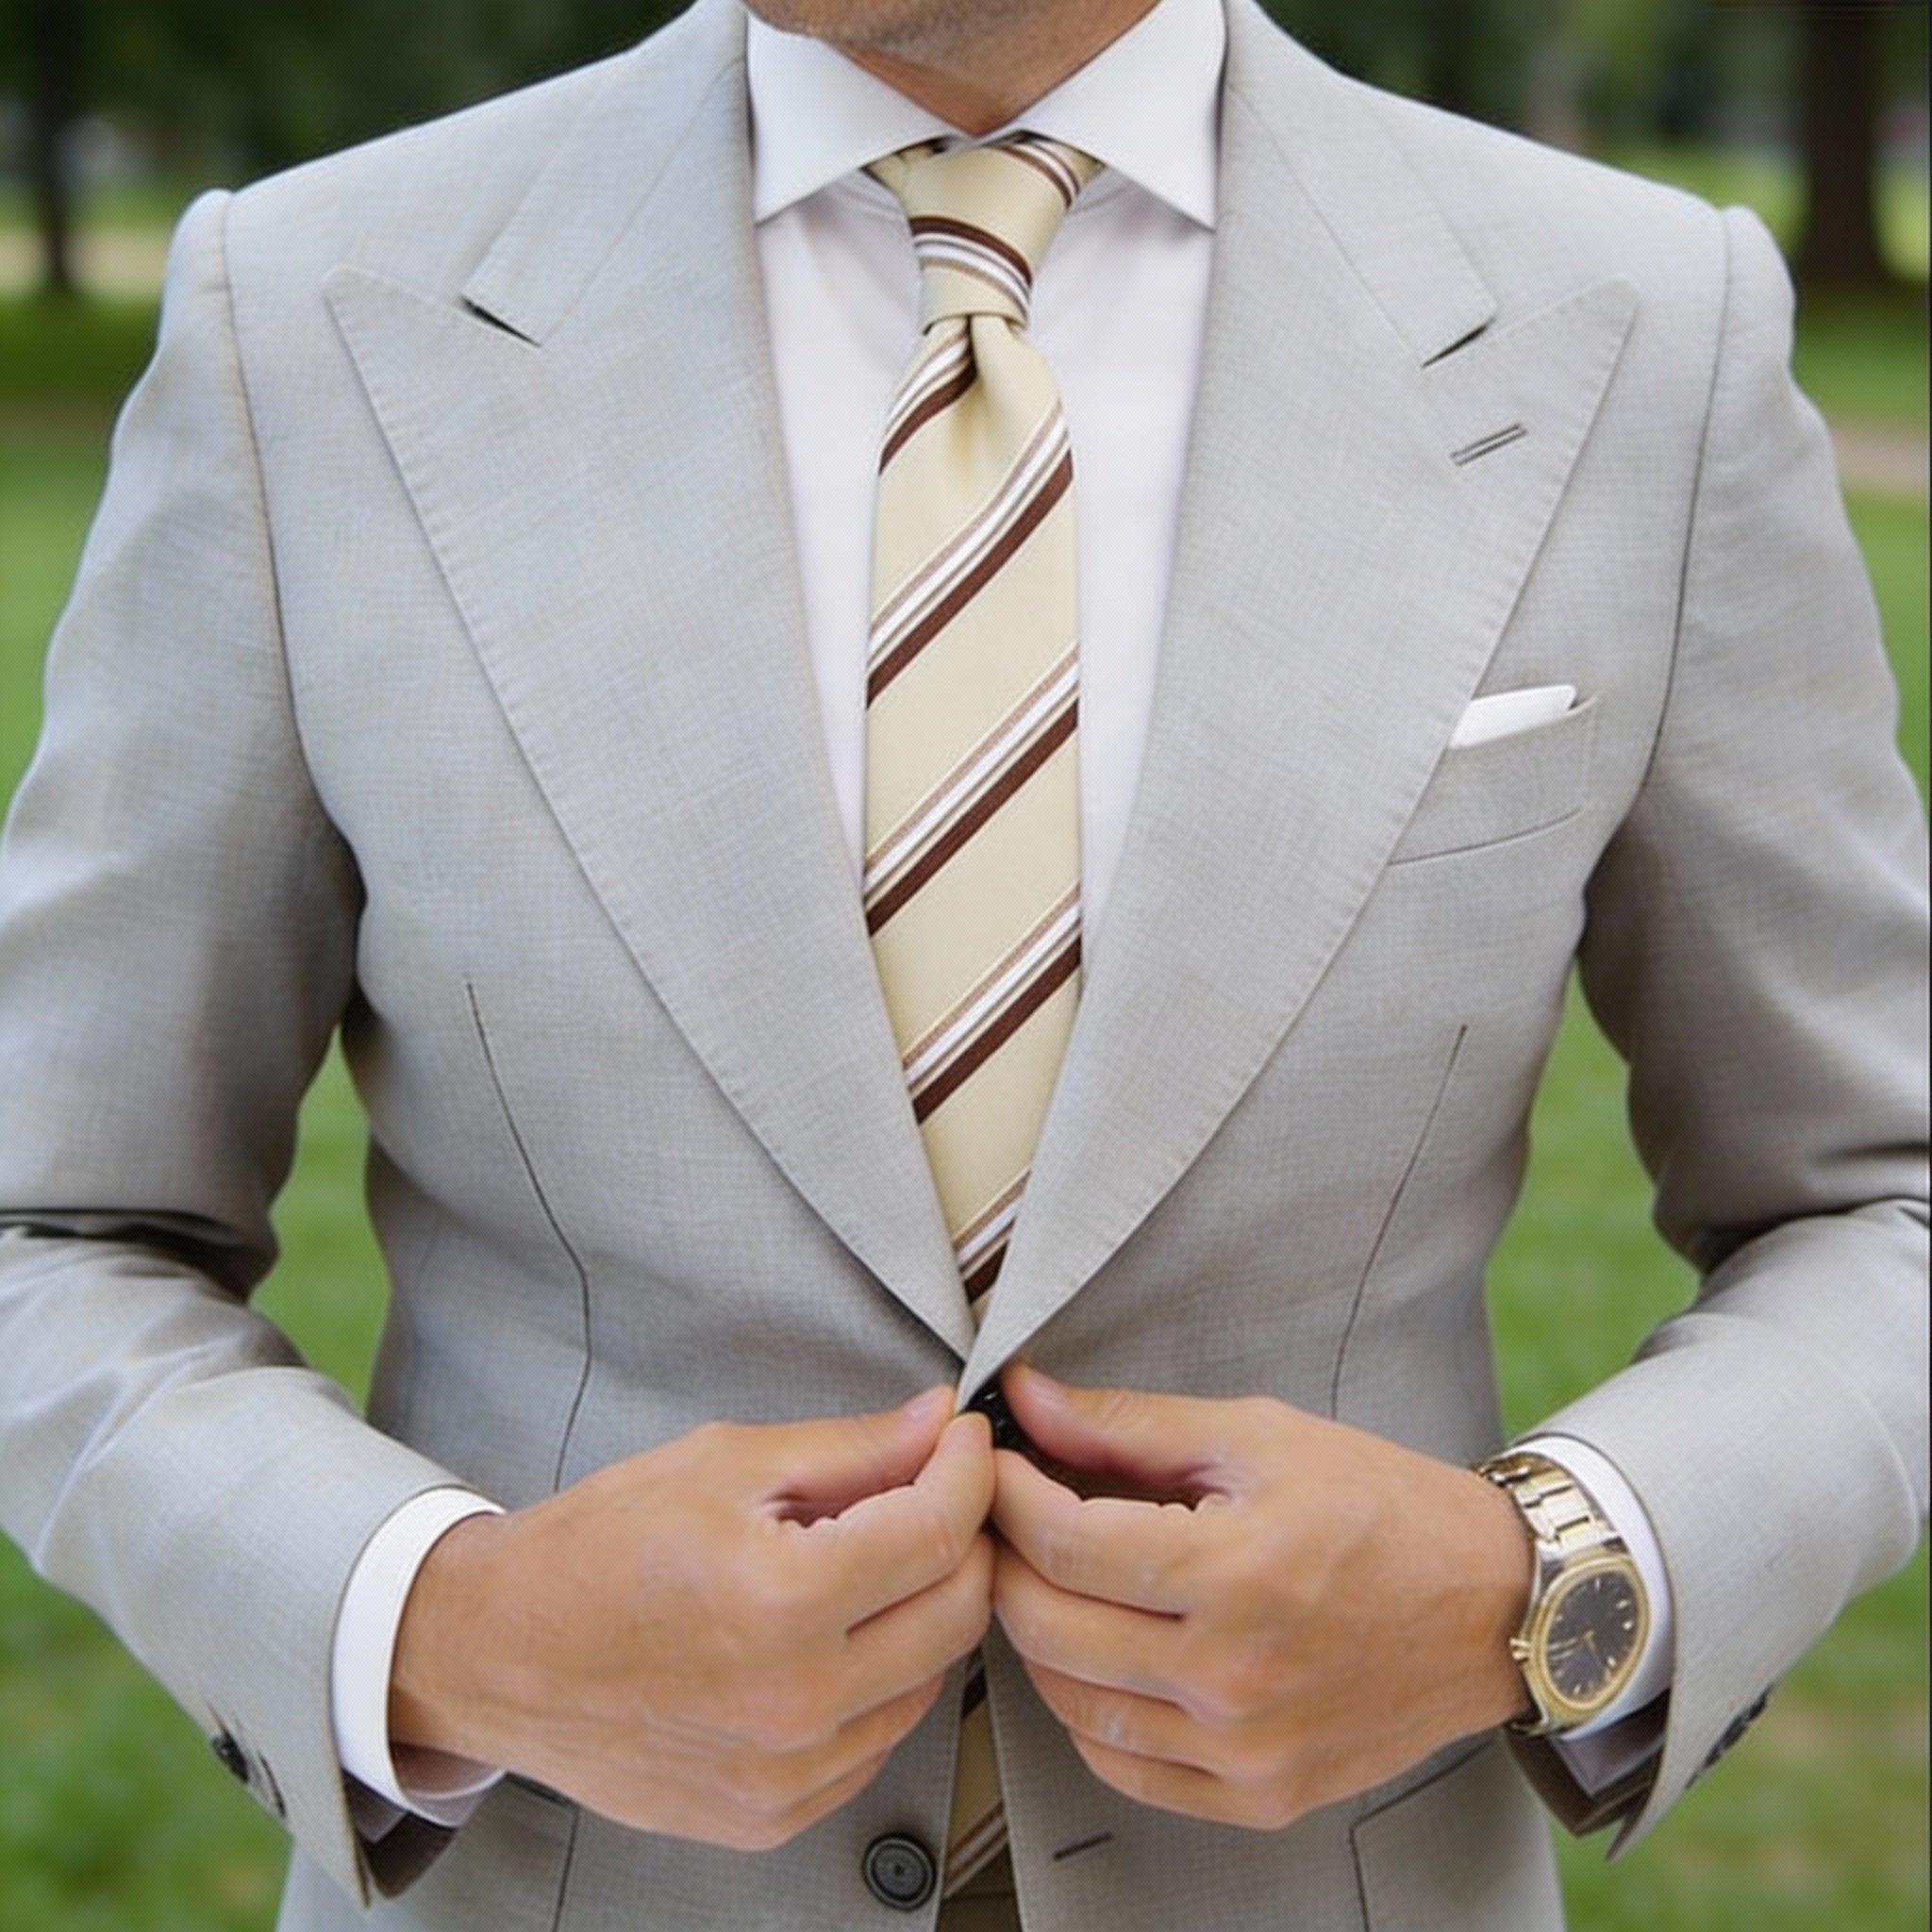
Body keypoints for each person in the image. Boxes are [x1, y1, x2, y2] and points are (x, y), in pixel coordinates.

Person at [0, 0, 1924, 1925]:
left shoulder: (1642, 330)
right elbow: (52, 1226)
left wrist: (1546, 1581)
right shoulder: (308, 314)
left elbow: (1878, 1198)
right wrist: (448, 1627)